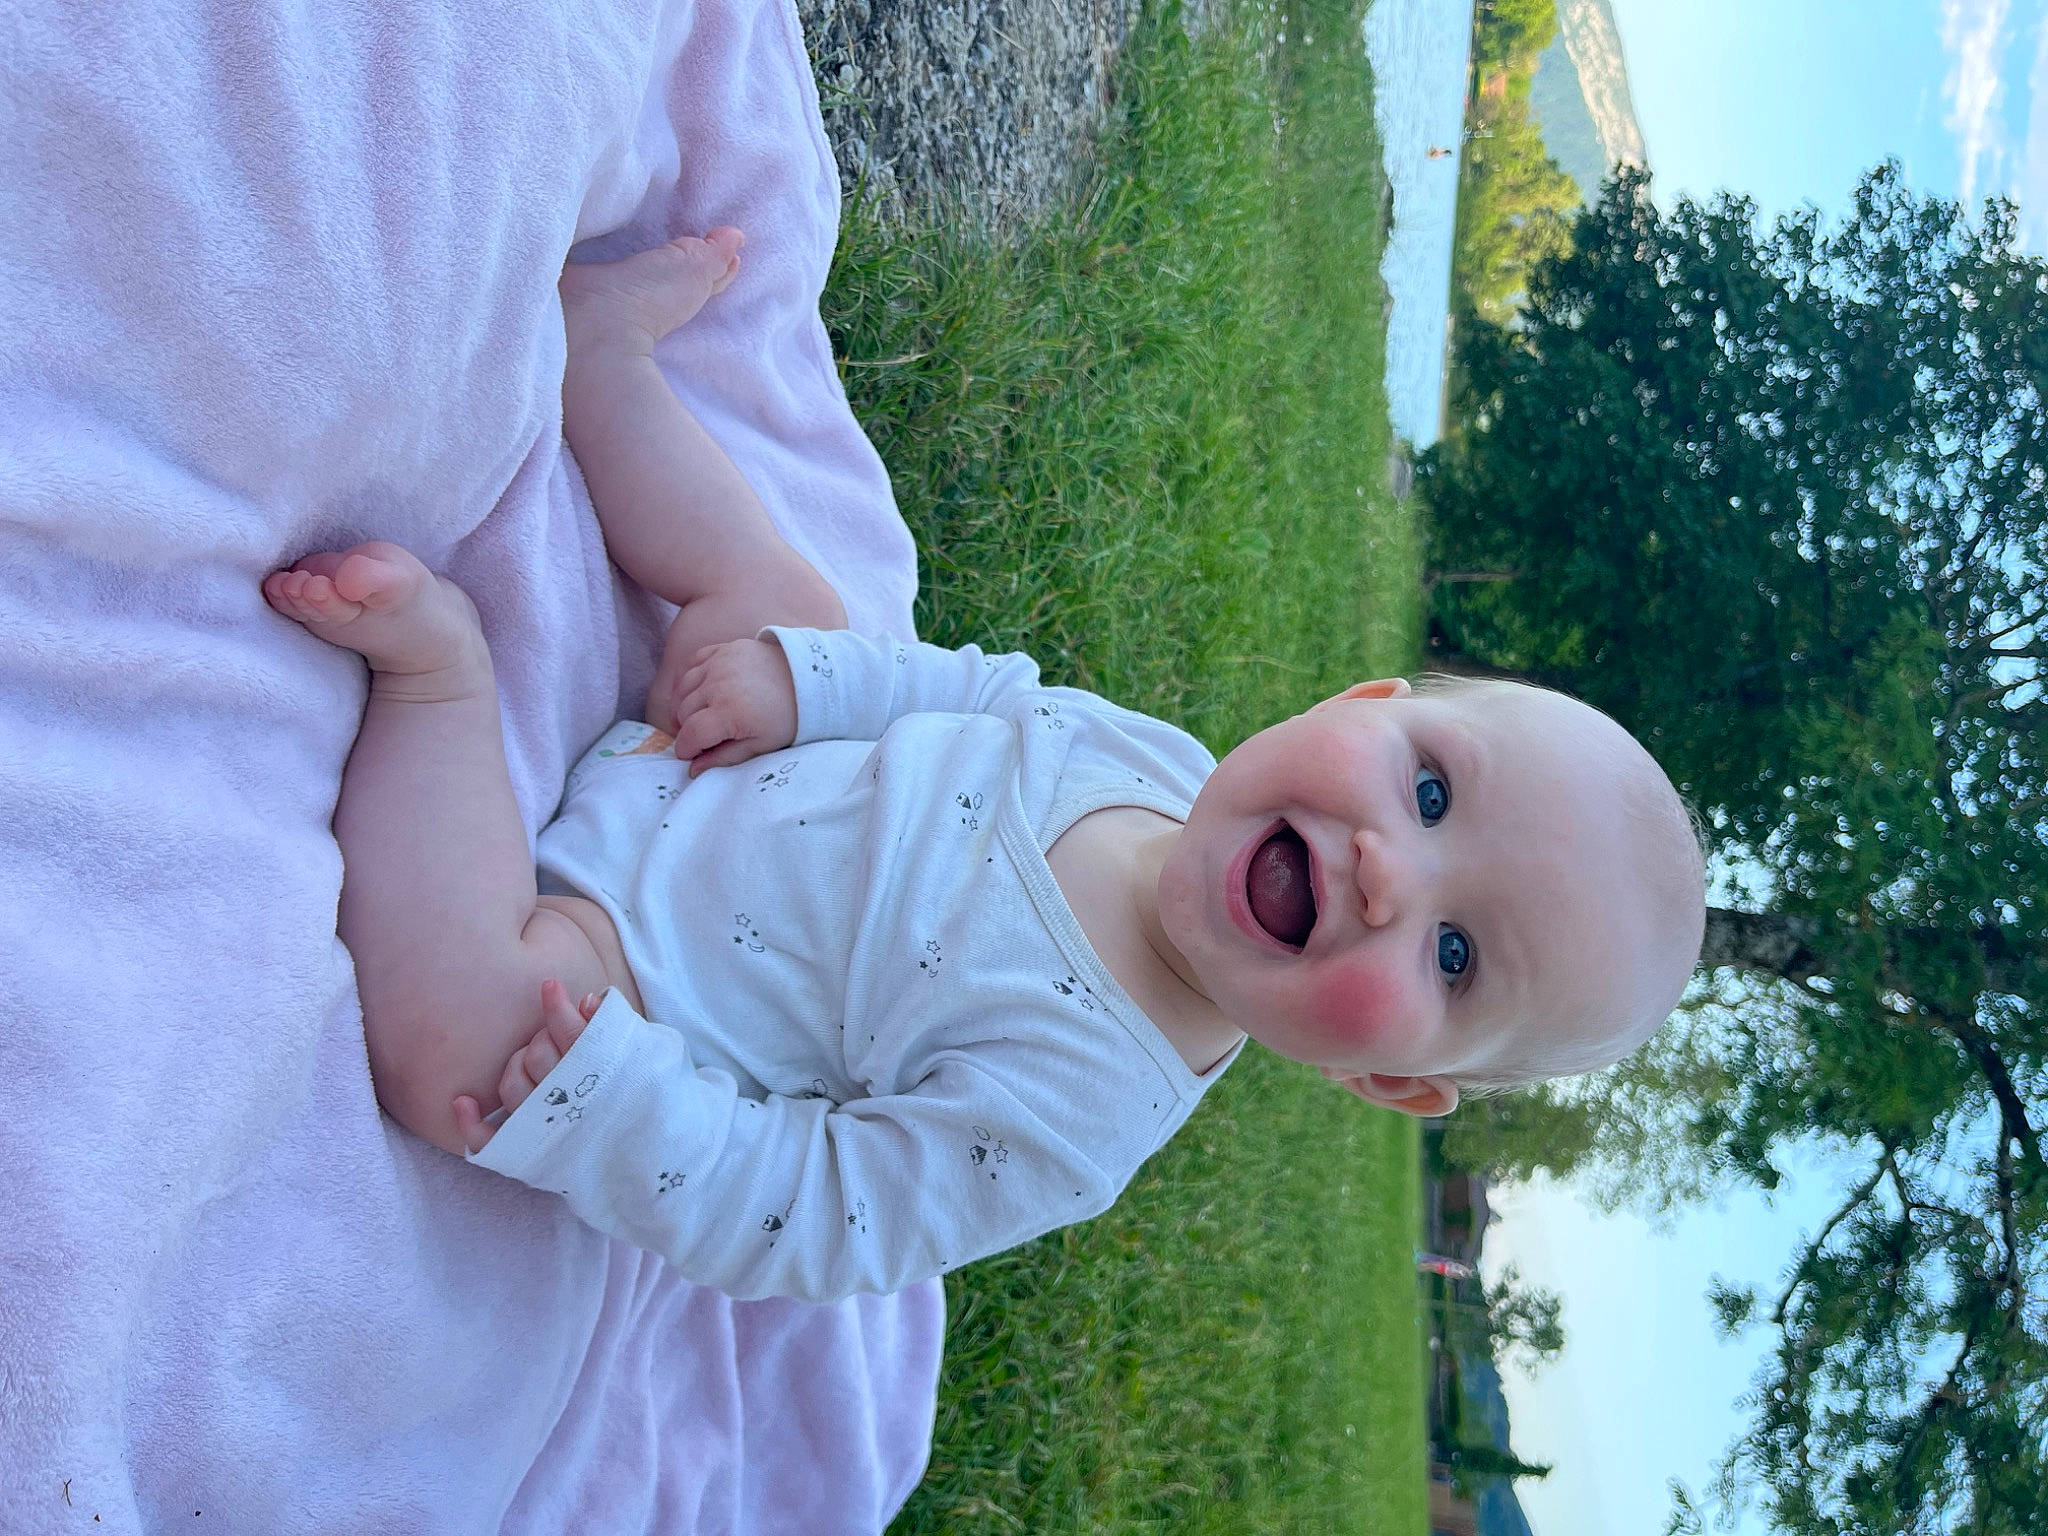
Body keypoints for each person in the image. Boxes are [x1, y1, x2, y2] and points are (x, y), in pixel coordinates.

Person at [263, 233, 1708, 1305]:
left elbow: (820, 1216)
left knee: (452, 1056)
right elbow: (970, 692)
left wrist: (620, 1094)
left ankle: (432, 678)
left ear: (1390, 1078)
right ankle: (601, 365)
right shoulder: (1161, 766)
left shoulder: (1078, 1114)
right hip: (709, 757)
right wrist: (804, 685)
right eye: (1433, 790)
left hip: (632, 973)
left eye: (1455, 953)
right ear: (1363, 700)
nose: (1396, 869)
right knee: (797, 601)